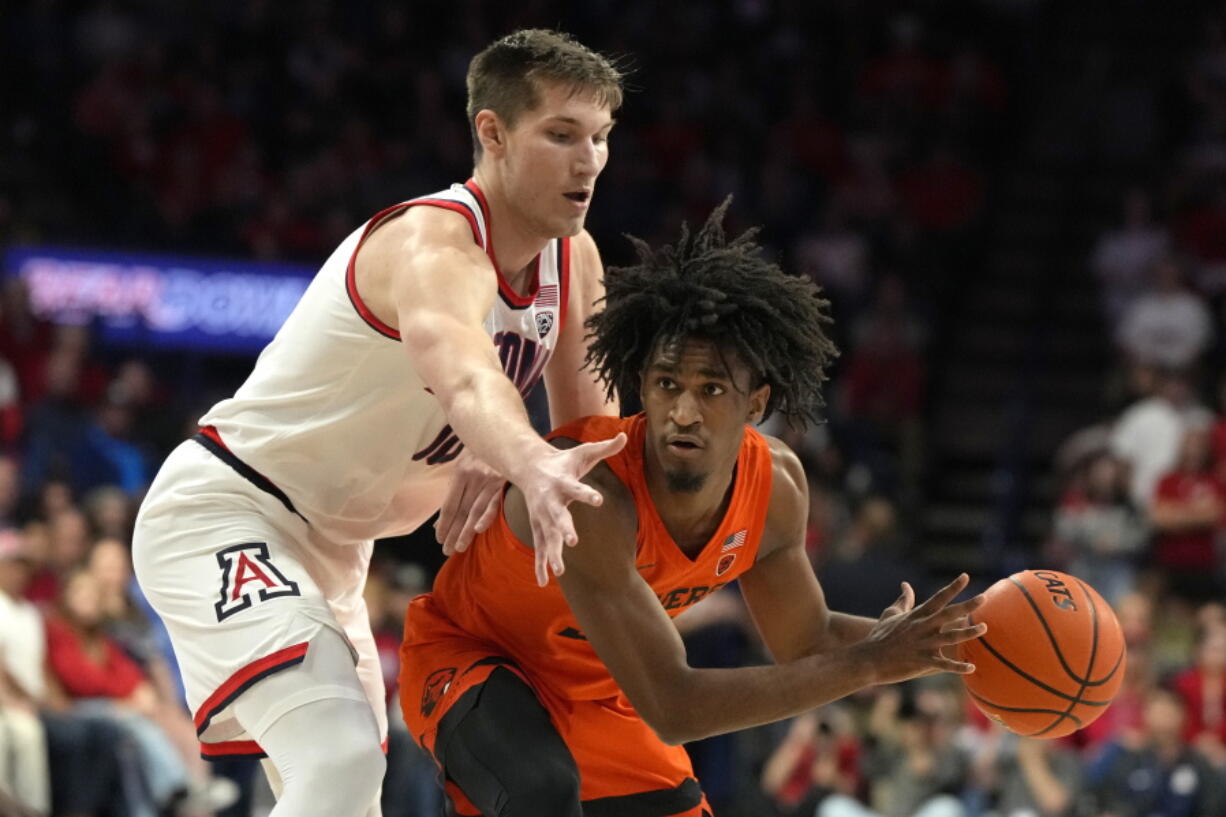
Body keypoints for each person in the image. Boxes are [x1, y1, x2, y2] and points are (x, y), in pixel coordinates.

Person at [132, 28, 628, 817]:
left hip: (337, 556)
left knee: (349, 799)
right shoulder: (431, 243)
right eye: (562, 134)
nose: (589, 160)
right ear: (492, 134)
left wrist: (516, 452)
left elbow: (594, 438)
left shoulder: (577, 263)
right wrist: (521, 453)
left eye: (601, 137)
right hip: (229, 511)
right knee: (339, 762)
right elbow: (465, 372)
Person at [399, 202, 988, 816]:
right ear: (643, 389)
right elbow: (676, 706)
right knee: (541, 794)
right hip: (474, 662)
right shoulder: (592, 491)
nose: (683, 411)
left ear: (756, 403)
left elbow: (806, 640)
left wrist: (935, 649)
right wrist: (869, 666)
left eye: (710, 389)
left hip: (600, 687)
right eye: (666, 385)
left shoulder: (777, 488)